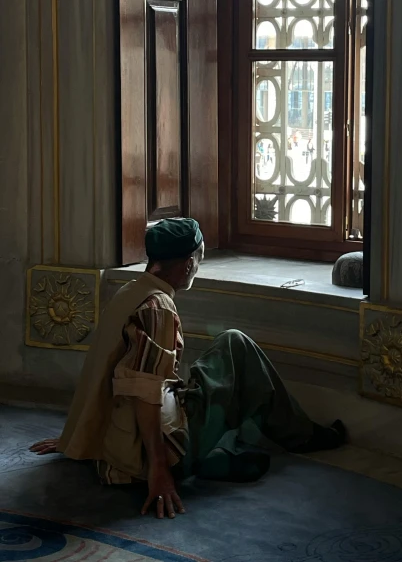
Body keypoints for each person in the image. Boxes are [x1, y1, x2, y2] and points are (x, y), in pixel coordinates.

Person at [30, 218, 346, 520]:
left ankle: (244, 447)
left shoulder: (131, 291)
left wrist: (77, 438)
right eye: (200, 257)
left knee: (227, 346)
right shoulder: (158, 310)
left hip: (117, 445)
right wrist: (159, 471)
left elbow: (99, 374)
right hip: (144, 459)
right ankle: (303, 437)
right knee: (238, 347)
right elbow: (145, 394)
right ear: (188, 265)